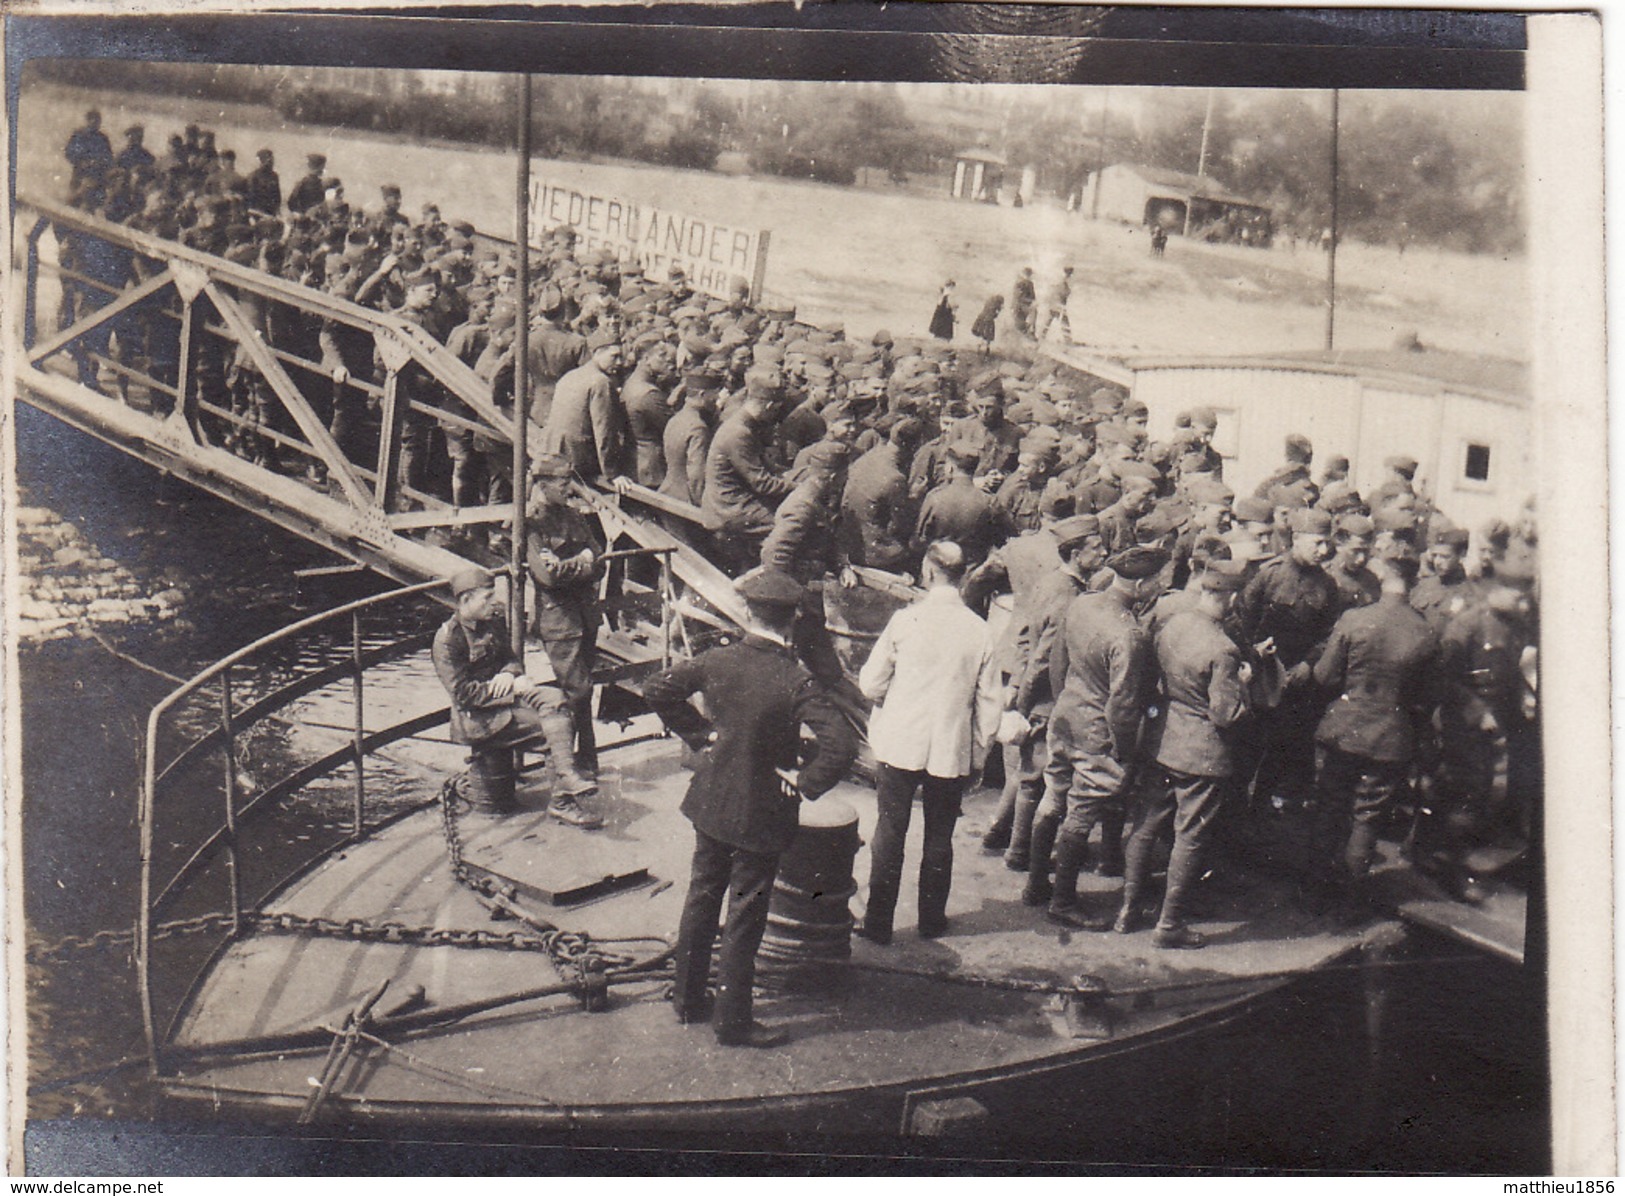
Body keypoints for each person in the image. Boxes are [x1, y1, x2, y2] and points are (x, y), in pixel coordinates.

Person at [644, 569, 857, 1048]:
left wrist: (700, 734)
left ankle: (687, 999)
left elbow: (656, 688)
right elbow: (839, 744)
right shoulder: (794, 679)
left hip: (712, 800)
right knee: (745, 914)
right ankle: (733, 1021)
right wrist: (804, 782)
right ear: (793, 619)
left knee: (701, 898)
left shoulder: (717, 659)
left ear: (748, 611)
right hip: (760, 812)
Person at [857, 541, 1002, 944]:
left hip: (899, 743)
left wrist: (891, 697)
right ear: (963, 574)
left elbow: (869, 683)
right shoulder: (979, 629)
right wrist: (978, 754)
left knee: (890, 831)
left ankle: (878, 924)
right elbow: (990, 705)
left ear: (927, 570)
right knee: (940, 836)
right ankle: (931, 921)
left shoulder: (905, 621)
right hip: (948, 749)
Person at [1024, 546, 1166, 928]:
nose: (1159, 587)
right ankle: (1063, 902)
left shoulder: (1083, 604)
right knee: (1082, 812)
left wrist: (1063, 702)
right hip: (1097, 731)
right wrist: (1123, 749)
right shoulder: (1129, 635)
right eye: (1155, 581)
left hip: (1067, 716)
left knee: (1053, 797)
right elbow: (1122, 704)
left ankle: (1037, 883)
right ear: (1139, 583)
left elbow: (1057, 662)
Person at [1117, 559, 1255, 947]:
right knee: (1190, 837)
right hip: (1201, 755)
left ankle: (1128, 909)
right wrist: (1244, 687)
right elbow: (1225, 714)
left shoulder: (1173, 624)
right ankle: (1169, 924)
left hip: (1162, 741)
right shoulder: (1223, 648)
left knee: (1145, 825)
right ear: (1229, 597)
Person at [1309, 546, 1440, 913]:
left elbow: (1324, 676)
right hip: (1391, 737)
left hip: (1344, 728)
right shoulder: (1425, 632)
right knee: (1367, 816)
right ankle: (1350, 901)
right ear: (1412, 585)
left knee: (1331, 805)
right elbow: (1427, 697)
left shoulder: (1354, 619)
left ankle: (1315, 894)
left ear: (1384, 580)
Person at [431, 567, 601, 827]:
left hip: (504, 701)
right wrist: (508, 688)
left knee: (558, 700)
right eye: (487, 598)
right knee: (555, 727)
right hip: (477, 717)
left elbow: (510, 658)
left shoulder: (493, 620)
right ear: (465, 600)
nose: (493, 602)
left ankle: (566, 774)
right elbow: (462, 694)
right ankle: (562, 801)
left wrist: (509, 674)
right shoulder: (447, 640)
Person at [526, 454, 605, 784]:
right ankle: (571, 765)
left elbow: (600, 558)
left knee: (581, 689)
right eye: (562, 483)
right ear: (543, 485)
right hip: (559, 620)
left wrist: (571, 563)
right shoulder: (531, 523)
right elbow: (547, 577)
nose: (569, 488)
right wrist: (582, 562)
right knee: (577, 689)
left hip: (584, 615)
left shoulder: (572, 515)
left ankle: (582, 761)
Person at [540, 334, 627, 484]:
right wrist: (613, 474)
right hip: (578, 460)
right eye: (614, 356)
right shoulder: (600, 381)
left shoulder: (571, 375)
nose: (619, 362)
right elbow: (604, 432)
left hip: (553, 450)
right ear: (597, 353)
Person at [658, 367, 721, 508]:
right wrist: (701, 506)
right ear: (702, 394)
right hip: (685, 501)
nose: (716, 400)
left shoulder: (675, 419)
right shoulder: (698, 428)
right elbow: (696, 476)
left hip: (668, 492)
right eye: (714, 396)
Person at [65, 109, 113, 192]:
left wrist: (100, 162)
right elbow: (69, 152)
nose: (95, 123)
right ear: (87, 120)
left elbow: (109, 157)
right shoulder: (79, 135)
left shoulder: (103, 138)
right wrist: (81, 162)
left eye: (98, 120)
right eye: (92, 119)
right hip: (81, 172)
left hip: (98, 173)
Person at [1039, 266, 1073, 342]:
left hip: (1054, 303)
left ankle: (1041, 336)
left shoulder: (1059, 279)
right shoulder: (1063, 281)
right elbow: (1063, 292)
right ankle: (1068, 340)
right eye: (1070, 273)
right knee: (1064, 322)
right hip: (1058, 304)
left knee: (1049, 320)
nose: (1071, 275)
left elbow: (1053, 290)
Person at [246, 148, 281, 217]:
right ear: (261, 161)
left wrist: (277, 211)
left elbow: (277, 197)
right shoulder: (253, 177)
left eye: (271, 160)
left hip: (271, 213)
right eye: (268, 160)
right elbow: (250, 199)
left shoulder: (274, 176)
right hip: (257, 213)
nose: (271, 163)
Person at [1011, 267, 1037, 339]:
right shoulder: (1021, 283)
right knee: (1032, 313)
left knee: (1032, 313)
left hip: (1023, 306)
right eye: (1028, 275)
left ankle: (1030, 332)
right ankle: (1030, 332)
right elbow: (1018, 297)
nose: (1029, 276)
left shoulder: (1028, 283)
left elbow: (1032, 296)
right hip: (1019, 306)